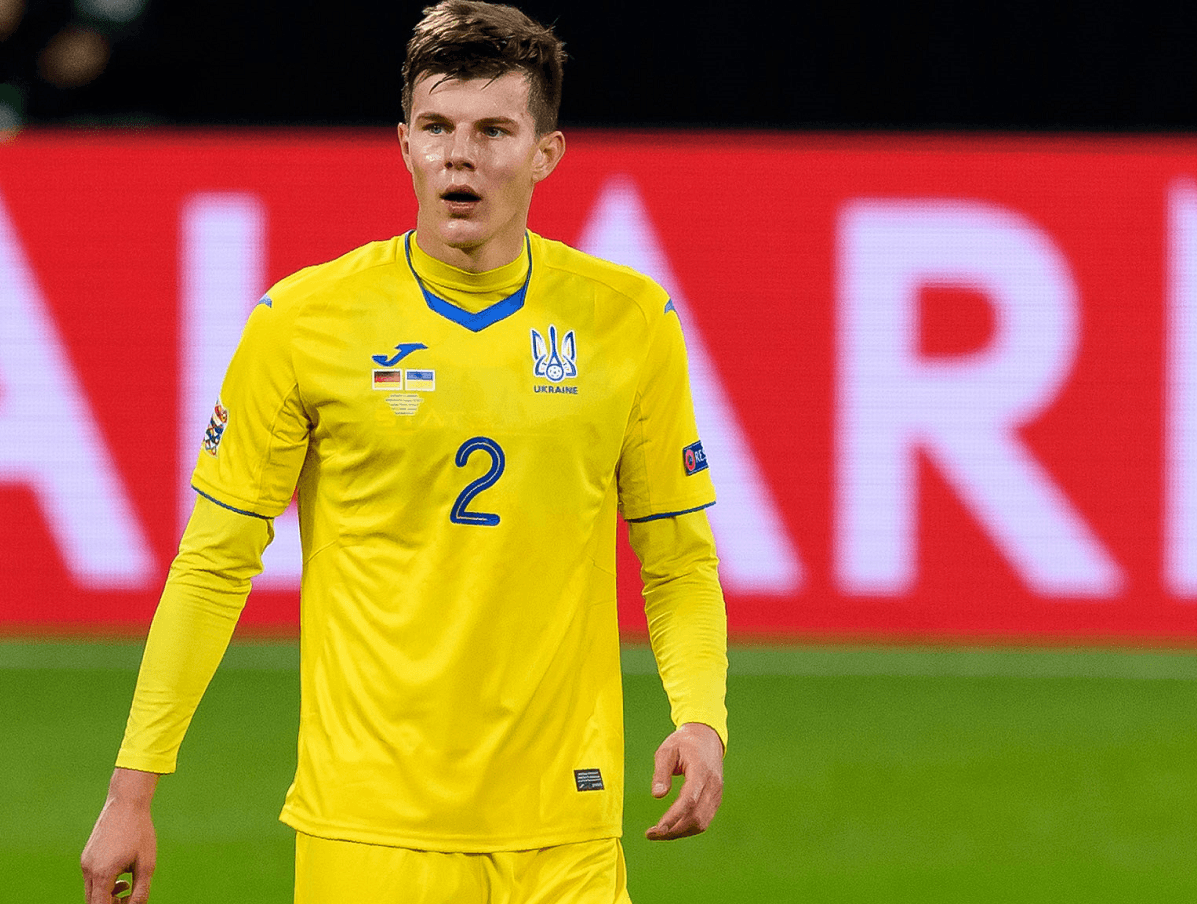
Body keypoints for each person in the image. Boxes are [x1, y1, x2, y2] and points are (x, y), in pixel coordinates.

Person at [81, 2, 728, 901]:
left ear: (546, 153)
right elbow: (214, 563)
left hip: (567, 829)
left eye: (494, 130)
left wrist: (701, 717)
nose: (461, 155)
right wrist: (132, 789)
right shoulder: (305, 322)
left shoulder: (629, 321)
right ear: (404, 144)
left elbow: (678, 559)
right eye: (437, 128)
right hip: (369, 830)